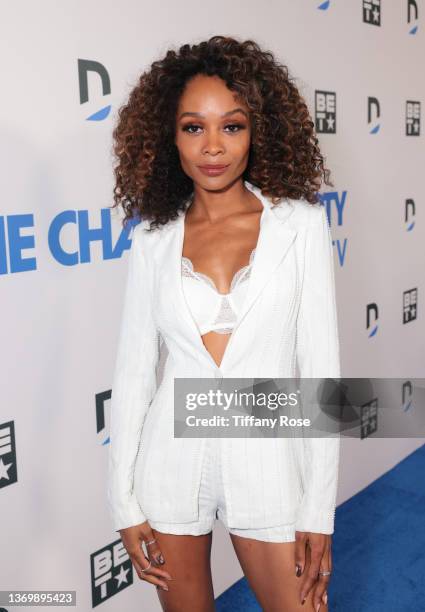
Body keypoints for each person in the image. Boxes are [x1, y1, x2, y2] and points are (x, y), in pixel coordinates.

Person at [108, 35, 341, 612]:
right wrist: (124, 502)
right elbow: (135, 374)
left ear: (257, 130)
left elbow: (321, 372)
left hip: (269, 460)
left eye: (231, 126)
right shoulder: (152, 240)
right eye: (193, 127)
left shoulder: (300, 226)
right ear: (171, 136)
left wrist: (318, 510)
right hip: (170, 462)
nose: (212, 147)